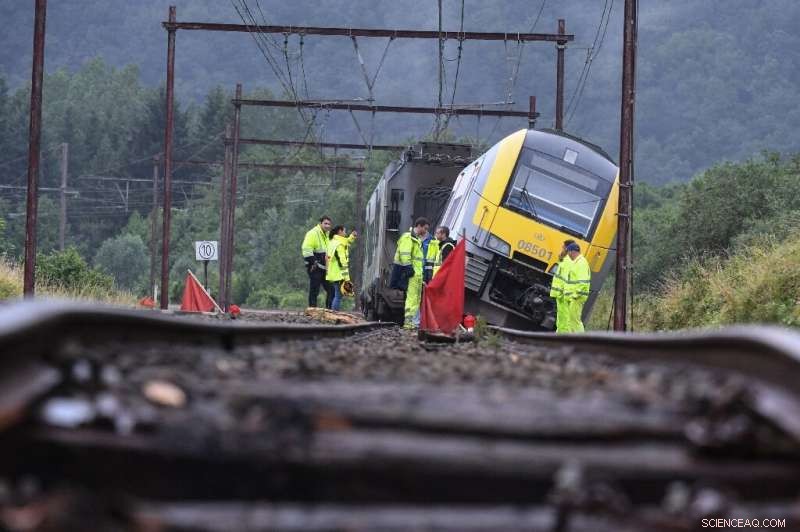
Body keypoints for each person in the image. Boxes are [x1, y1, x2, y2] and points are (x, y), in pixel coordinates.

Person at [394, 217, 429, 329]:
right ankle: (409, 323)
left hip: (417, 275)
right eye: (425, 228)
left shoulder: (416, 239)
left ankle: (414, 322)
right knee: (412, 298)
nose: (426, 231)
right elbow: (405, 254)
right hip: (412, 274)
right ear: (419, 226)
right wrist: (409, 269)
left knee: (416, 299)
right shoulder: (408, 237)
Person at [301, 216, 333, 308]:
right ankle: (312, 309)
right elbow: (306, 249)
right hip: (314, 266)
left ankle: (329, 310)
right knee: (315, 289)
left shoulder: (328, 235)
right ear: (320, 223)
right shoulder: (312, 233)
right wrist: (314, 262)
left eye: (329, 224)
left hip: (325, 268)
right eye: (325, 223)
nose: (327, 226)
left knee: (331, 290)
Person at [561, 242, 591, 333]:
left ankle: (581, 339)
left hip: (577, 297)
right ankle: (572, 338)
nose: (568, 255)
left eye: (568, 252)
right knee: (571, 320)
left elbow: (583, 282)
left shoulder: (581, 263)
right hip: (575, 297)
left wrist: (575, 295)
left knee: (575, 320)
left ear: (572, 251)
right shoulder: (578, 262)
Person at [325, 225, 357, 311]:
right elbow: (342, 262)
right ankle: (335, 313)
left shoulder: (334, 241)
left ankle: (333, 312)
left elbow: (347, 242)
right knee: (338, 296)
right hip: (339, 274)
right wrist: (347, 278)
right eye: (344, 231)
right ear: (340, 231)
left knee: (337, 294)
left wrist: (352, 236)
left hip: (334, 273)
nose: (345, 233)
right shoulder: (339, 245)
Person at [550, 239, 576, 333]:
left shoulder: (569, 262)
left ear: (567, 249)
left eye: (563, 247)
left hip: (564, 295)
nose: (561, 249)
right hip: (561, 294)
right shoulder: (567, 260)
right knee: (561, 317)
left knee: (564, 317)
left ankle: (564, 337)